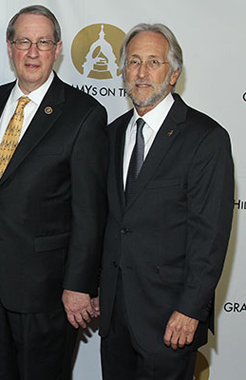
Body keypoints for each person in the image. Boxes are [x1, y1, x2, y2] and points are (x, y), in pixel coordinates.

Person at [0, 5, 108, 379]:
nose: (33, 52)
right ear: (9, 46)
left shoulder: (84, 114)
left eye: (43, 42)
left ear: (58, 48)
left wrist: (79, 286)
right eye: (24, 42)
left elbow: (90, 211)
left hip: (46, 292)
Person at [98, 23, 234, 379]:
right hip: (115, 318)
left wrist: (191, 310)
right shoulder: (111, 135)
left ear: (173, 74)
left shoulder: (206, 138)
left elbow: (210, 236)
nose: (141, 72)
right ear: (122, 71)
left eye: (153, 62)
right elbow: (112, 223)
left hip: (170, 318)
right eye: (133, 62)